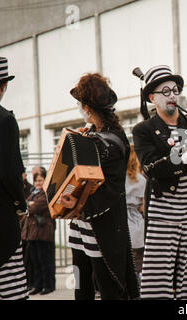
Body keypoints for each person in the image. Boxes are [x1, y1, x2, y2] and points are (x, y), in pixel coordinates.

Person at [132, 65, 187, 299]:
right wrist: (180, 158)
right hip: (162, 214)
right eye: (164, 91)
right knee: (157, 284)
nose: (172, 95)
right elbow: (149, 168)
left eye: (175, 90)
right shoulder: (143, 130)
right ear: (151, 98)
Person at [59, 73, 139, 300]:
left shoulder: (111, 141)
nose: (79, 107)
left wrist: (79, 204)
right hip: (80, 229)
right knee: (81, 284)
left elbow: (112, 190)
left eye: (79, 103)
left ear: (86, 106)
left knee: (110, 288)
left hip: (103, 229)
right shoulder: (92, 133)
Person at [0, 56, 29, 300]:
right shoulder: (5, 121)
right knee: (10, 286)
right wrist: (21, 205)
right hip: (2, 219)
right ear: (3, 87)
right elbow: (10, 173)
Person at [21, 170, 55, 295]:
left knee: (44, 261)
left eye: (40, 180)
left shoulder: (46, 194)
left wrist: (30, 205)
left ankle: (48, 285)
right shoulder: (33, 193)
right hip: (32, 233)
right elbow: (26, 204)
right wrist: (29, 204)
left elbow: (35, 207)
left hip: (43, 232)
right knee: (35, 261)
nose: (38, 183)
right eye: (36, 181)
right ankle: (38, 285)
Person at [125, 145, 145, 279]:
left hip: (121, 221)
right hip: (137, 223)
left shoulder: (117, 178)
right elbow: (143, 207)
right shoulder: (142, 180)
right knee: (138, 261)